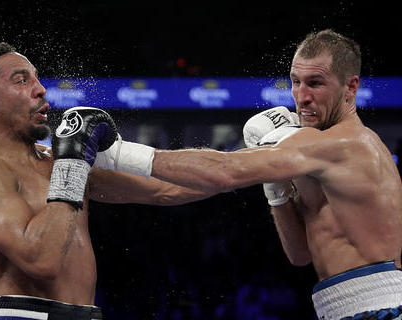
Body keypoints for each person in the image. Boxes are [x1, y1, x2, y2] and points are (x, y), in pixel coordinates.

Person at [93, 30, 402, 319]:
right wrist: (276, 185)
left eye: (315, 83)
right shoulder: (318, 153)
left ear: (351, 87)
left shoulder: (342, 142)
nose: (301, 96)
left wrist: (117, 152)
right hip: (342, 303)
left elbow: (226, 171)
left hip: (378, 305)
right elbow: (300, 254)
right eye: (295, 81)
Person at [0, 43, 212, 320]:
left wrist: (253, 167)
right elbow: (41, 259)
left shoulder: (54, 162)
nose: (40, 89)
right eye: (22, 80)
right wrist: (72, 164)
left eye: (36, 78)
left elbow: (166, 189)